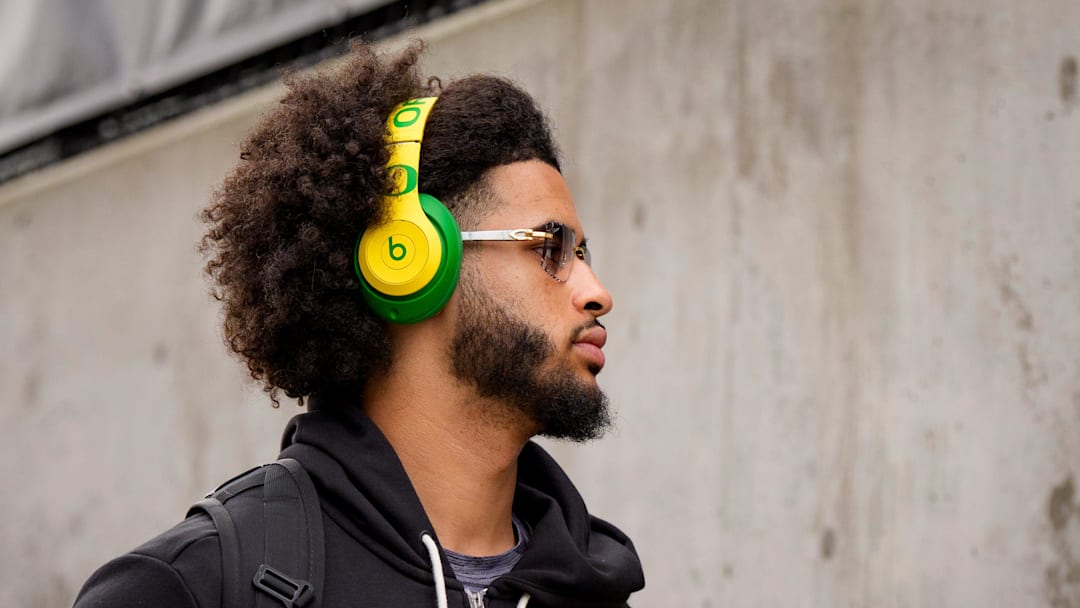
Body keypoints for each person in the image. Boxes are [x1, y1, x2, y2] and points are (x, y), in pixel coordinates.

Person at [74, 41, 644, 608]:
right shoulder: (191, 587)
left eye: (585, 254)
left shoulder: (593, 591)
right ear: (409, 261)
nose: (597, 293)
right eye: (552, 248)